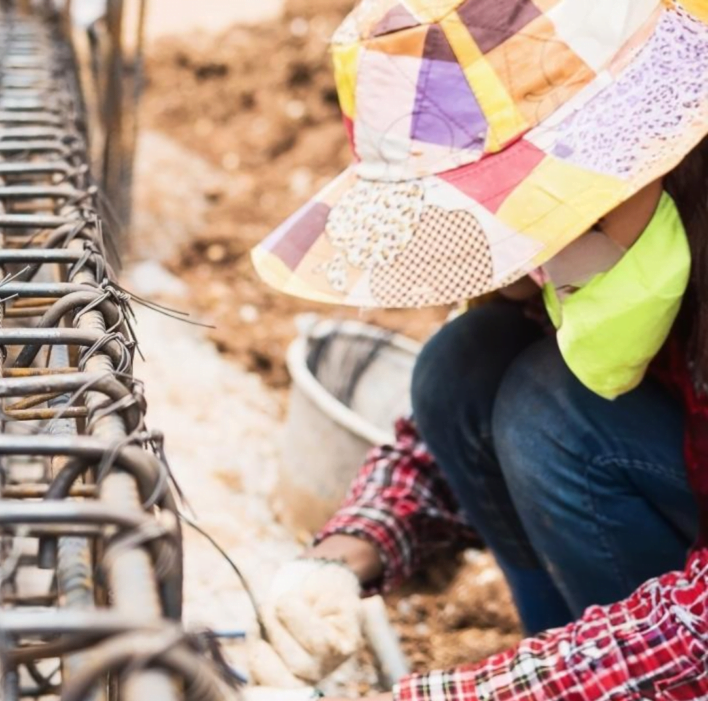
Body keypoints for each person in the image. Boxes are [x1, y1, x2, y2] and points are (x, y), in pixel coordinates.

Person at [246, 1, 708, 699]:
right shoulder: (622, 239)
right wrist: (343, 558)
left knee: (546, 413)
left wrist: (468, 694)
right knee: (463, 367)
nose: (529, 261)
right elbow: (444, 435)